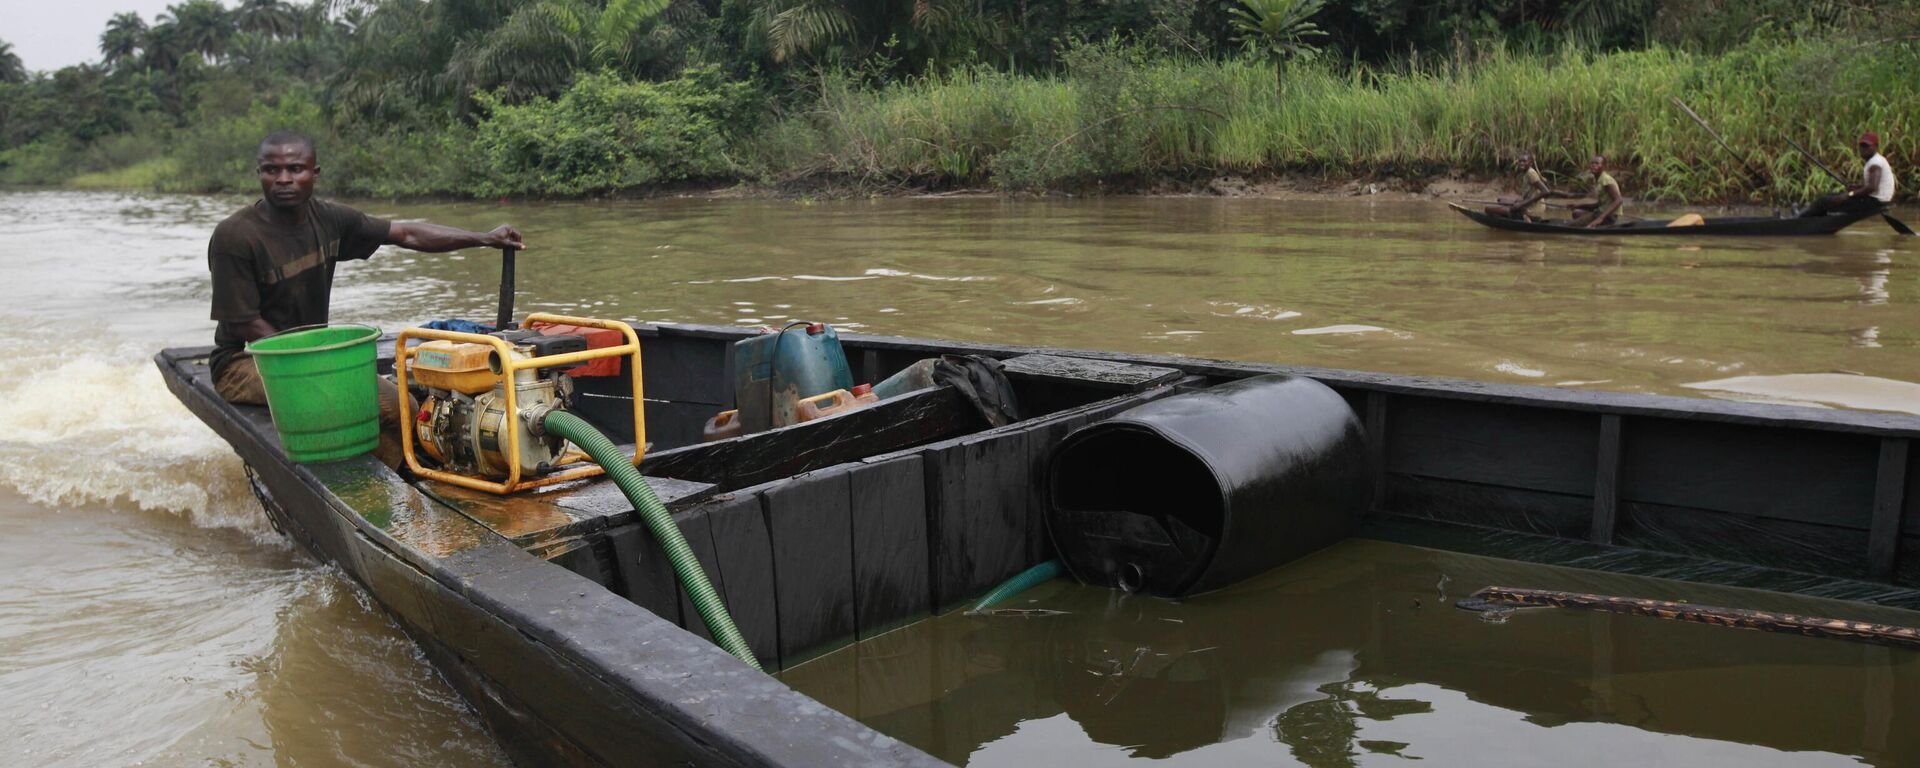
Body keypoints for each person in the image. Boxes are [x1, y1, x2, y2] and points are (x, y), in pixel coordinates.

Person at [208, 130, 527, 467]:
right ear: (259, 174)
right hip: (245, 362)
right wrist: (313, 362)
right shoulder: (235, 236)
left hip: (314, 355)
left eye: (296, 169)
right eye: (272, 170)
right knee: (342, 403)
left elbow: (405, 233)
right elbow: (245, 323)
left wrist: (484, 238)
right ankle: (394, 475)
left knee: (406, 409)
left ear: (314, 174)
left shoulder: (328, 219)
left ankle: (410, 471)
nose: (284, 179)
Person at [1799, 132, 1896, 218]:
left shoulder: (1875, 163)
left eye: (1867, 146)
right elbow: (1873, 186)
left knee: (1824, 201)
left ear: (1876, 147)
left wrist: (1849, 194)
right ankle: (1807, 216)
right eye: (1862, 146)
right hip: (1877, 199)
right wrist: (1857, 187)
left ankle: (1800, 218)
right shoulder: (1876, 160)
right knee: (1830, 196)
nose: (1863, 149)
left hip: (1875, 202)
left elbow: (1871, 187)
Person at [1483, 152, 1553, 221]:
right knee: (1501, 201)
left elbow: (1546, 192)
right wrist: (1514, 201)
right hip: (1529, 206)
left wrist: (1521, 204)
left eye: (1524, 161)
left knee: (1488, 209)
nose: (1521, 163)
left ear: (1530, 163)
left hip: (1532, 210)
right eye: (1520, 161)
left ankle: (1526, 217)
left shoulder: (1531, 173)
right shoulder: (1526, 173)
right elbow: (1529, 195)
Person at [1566, 155, 1624, 228]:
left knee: (1570, 226)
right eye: (1592, 163)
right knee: (1576, 213)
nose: (1593, 165)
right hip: (1599, 212)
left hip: (1608, 217)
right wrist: (1579, 205)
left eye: (1597, 163)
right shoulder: (1599, 179)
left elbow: (1619, 200)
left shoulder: (1606, 180)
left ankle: (1600, 223)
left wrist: (1600, 219)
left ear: (1603, 166)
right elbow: (1599, 205)